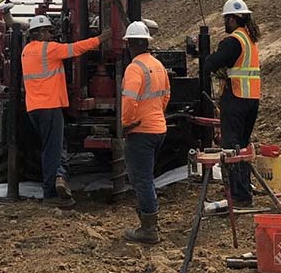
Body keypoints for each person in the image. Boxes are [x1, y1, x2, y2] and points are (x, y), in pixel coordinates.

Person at [22, 14, 109, 207]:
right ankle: (50, 194)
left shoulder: (26, 51)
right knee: (52, 150)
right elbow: (76, 48)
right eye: (48, 31)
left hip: (34, 108)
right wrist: (100, 39)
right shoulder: (49, 49)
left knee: (54, 146)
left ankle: (59, 178)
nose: (51, 35)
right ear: (40, 32)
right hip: (50, 106)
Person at [203, 0, 261, 207]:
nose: (224, 23)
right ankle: (243, 192)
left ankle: (239, 196)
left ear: (235, 19)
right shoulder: (250, 40)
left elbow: (211, 63)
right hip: (251, 100)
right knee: (243, 148)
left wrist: (209, 59)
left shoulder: (234, 40)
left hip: (236, 99)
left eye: (226, 19)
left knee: (232, 149)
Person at [121, 20, 170, 243]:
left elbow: (129, 100)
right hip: (158, 128)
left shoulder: (134, 68)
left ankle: (149, 230)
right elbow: (166, 96)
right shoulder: (158, 65)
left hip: (140, 131)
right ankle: (147, 221)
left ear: (130, 44)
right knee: (146, 178)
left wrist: (126, 124)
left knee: (142, 180)